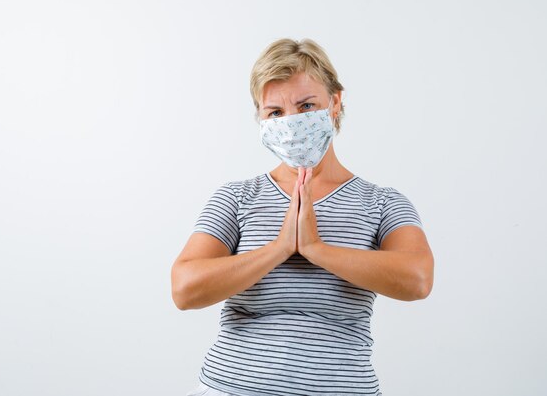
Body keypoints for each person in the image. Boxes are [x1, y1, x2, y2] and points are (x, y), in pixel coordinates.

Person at [171, 37, 434, 396]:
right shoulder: (237, 197)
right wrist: (280, 248)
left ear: (335, 103)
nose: (292, 122)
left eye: (307, 105)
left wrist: (315, 248)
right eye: (275, 112)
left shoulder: (381, 202)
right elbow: (185, 289)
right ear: (260, 118)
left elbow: (418, 279)